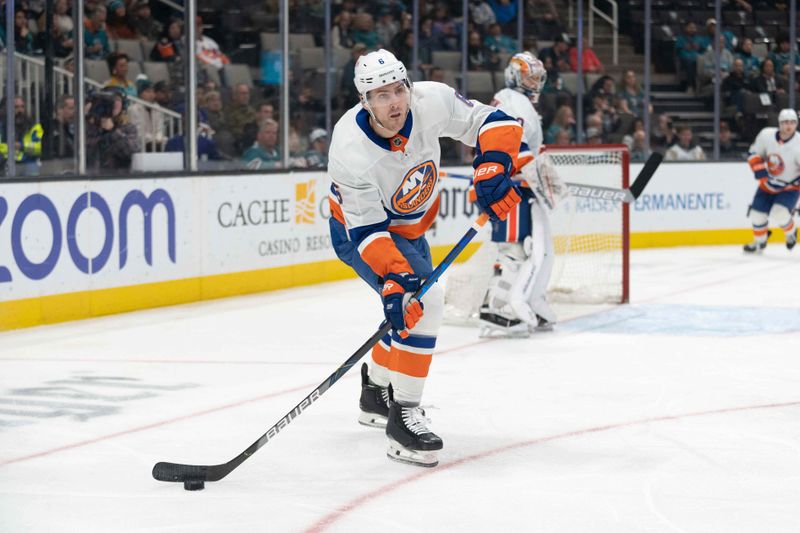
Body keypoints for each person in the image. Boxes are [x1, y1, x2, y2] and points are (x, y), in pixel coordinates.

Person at [328, 49, 522, 467]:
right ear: (365, 101)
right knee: (424, 303)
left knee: (410, 312)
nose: (394, 102)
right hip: (363, 233)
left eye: (398, 89)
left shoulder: (430, 101)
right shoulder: (350, 149)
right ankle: (403, 417)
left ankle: (375, 391)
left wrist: (492, 166)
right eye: (381, 95)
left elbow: (494, 121)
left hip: (411, 226)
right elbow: (366, 232)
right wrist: (395, 279)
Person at [476, 51, 565, 337]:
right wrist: (539, 176)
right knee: (513, 250)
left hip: (516, 184)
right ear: (515, 75)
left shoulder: (514, 99)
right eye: (530, 76)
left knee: (527, 249)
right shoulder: (514, 100)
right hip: (510, 185)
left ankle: (525, 302)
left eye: (539, 77)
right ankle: (495, 309)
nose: (536, 82)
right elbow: (514, 145)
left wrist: (543, 177)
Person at [743, 109, 800, 253]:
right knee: (756, 215)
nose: (789, 126)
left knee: (779, 212)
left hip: (789, 187)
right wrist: (761, 173)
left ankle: (791, 232)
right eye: (786, 122)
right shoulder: (766, 135)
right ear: (779, 123)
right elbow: (753, 153)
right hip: (767, 185)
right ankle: (759, 242)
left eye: (793, 122)